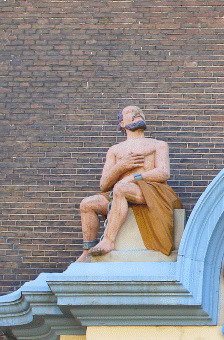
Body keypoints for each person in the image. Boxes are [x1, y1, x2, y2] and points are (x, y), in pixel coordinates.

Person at [77, 106, 183, 262]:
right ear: (122, 123)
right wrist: (121, 167)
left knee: (121, 188)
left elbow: (163, 173)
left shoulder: (158, 144)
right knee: (87, 204)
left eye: (140, 111)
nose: (137, 113)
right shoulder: (115, 150)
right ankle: (87, 252)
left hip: (151, 191)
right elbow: (104, 185)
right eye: (130, 112)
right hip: (119, 193)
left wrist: (134, 177)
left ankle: (108, 241)